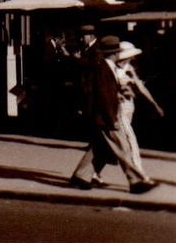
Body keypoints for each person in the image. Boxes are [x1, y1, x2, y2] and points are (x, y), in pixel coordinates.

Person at [69, 35, 162, 193]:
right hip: (108, 116)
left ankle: (81, 176)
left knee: (100, 147)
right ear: (115, 53)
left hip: (108, 114)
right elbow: (104, 96)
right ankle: (136, 181)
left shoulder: (106, 66)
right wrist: (112, 118)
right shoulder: (104, 68)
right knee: (123, 147)